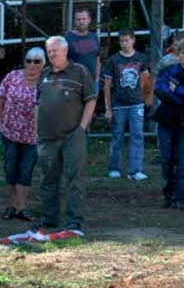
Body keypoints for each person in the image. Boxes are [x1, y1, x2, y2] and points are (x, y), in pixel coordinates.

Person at [35, 36, 96, 231]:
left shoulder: (80, 72)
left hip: (72, 135)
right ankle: (49, 218)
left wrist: (82, 128)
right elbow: (38, 104)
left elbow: (91, 100)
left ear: (65, 51)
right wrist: (37, 128)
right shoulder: (43, 75)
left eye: (55, 50)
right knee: (48, 179)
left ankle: (74, 221)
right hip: (47, 137)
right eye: (49, 51)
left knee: (74, 179)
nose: (52, 54)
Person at [0, 47, 44, 221]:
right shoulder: (12, 76)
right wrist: (0, 125)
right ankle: (12, 206)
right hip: (10, 133)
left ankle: (22, 208)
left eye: (36, 61)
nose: (31, 64)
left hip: (32, 136)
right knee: (10, 169)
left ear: (43, 64)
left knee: (26, 170)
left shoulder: (46, 81)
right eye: (28, 60)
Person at [102, 29, 150, 181]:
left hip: (137, 104)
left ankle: (135, 170)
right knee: (117, 136)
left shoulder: (141, 58)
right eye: (122, 41)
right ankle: (114, 168)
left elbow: (145, 81)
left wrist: (146, 97)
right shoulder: (113, 60)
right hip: (118, 104)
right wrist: (108, 108)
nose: (124, 43)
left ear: (133, 40)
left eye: (127, 40)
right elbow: (107, 86)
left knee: (137, 136)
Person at [153, 44, 184, 210]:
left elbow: (172, 91)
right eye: (183, 53)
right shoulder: (169, 70)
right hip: (167, 120)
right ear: (179, 55)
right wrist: (178, 96)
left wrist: (176, 90)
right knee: (166, 159)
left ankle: (180, 197)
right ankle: (168, 194)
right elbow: (160, 90)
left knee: (182, 160)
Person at [65, 7, 102, 95]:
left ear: (89, 20)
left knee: (91, 108)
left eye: (84, 19)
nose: (81, 22)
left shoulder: (94, 36)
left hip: (92, 82)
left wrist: (97, 78)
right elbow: (63, 61)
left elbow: (97, 59)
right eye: (78, 19)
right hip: (75, 83)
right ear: (74, 21)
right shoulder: (68, 38)